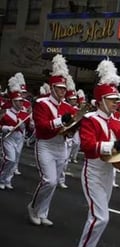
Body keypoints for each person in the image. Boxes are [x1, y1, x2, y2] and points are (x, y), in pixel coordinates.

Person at [77, 58, 120, 247]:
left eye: (117, 99)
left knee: (97, 216)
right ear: (101, 101)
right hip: (93, 172)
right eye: (112, 100)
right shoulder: (90, 119)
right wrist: (113, 145)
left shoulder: (117, 122)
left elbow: (119, 148)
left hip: (109, 172)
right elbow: (88, 146)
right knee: (101, 218)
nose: (117, 103)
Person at [27, 54, 76, 226]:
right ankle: (33, 208)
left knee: (54, 183)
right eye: (60, 88)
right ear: (52, 88)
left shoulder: (68, 107)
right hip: (45, 145)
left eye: (64, 88)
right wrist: (61, 121)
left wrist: (72, 129)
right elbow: (41, 125)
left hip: (61, 146)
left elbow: (71, 129)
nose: (63, 91)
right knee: (49, 180)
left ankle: (43, 212)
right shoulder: (41, 103)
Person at [0, 75, 31, 190]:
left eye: (22, 101)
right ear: (13, 101)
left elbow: (30, 128)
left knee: (15, 160)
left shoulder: (25, 114)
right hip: (8, 138)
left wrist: (31, 125)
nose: (21, 103)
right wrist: (4, 128)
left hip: (20, 138)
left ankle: (8, 180)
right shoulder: (5, 112)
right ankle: (1, 179)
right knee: (10, 159)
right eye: (18, 101)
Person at [58, 75, 78, 189]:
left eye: (75, 99)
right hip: (60, 136)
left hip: (69, 137)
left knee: (64, 162)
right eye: (72, 99)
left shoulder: (74, 110)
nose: (74, 101)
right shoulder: (63, 108)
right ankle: (56, 179)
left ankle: (61, 179)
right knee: (61, 161)